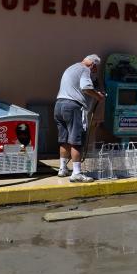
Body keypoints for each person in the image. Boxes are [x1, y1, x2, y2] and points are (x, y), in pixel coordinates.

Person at [54, 54, 106, 182]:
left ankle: (63, 169)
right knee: (76, 139)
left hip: (59, 105)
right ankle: (76, 173)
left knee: (64, 139)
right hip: (73, 107)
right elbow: (86, 87)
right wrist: (98, 96)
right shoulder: (85, 70)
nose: (94, 72)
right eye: (95, 69)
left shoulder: (72, 68)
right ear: (93, 65)